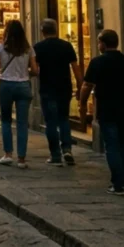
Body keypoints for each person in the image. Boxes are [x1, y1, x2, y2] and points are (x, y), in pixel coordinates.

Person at [79, 30, 124, 194]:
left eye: (98, 42)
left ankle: (117, 183)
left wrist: (82, 103)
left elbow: (87, 85)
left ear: (103, 43)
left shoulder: (97, 62)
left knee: (112, 146)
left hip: (107, 110)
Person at [33, 19, 83, 166]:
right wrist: (81, 86)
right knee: (63, 119)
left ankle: (55, 155)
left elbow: (35, 70)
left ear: (42, 31)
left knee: (50, 122)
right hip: (64, 88)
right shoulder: (66, 46)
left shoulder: (38, 47)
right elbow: (76, 68)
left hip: (47, 88)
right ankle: (67, 149)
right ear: (56, 30)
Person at [0, 19, 38, 168]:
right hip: (23, 85)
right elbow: (35, 70)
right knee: (22, 123)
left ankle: (8, 154)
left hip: (6, 85)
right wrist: (25, 75)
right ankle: (21, 159)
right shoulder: (28, 49)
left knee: (6, 120)